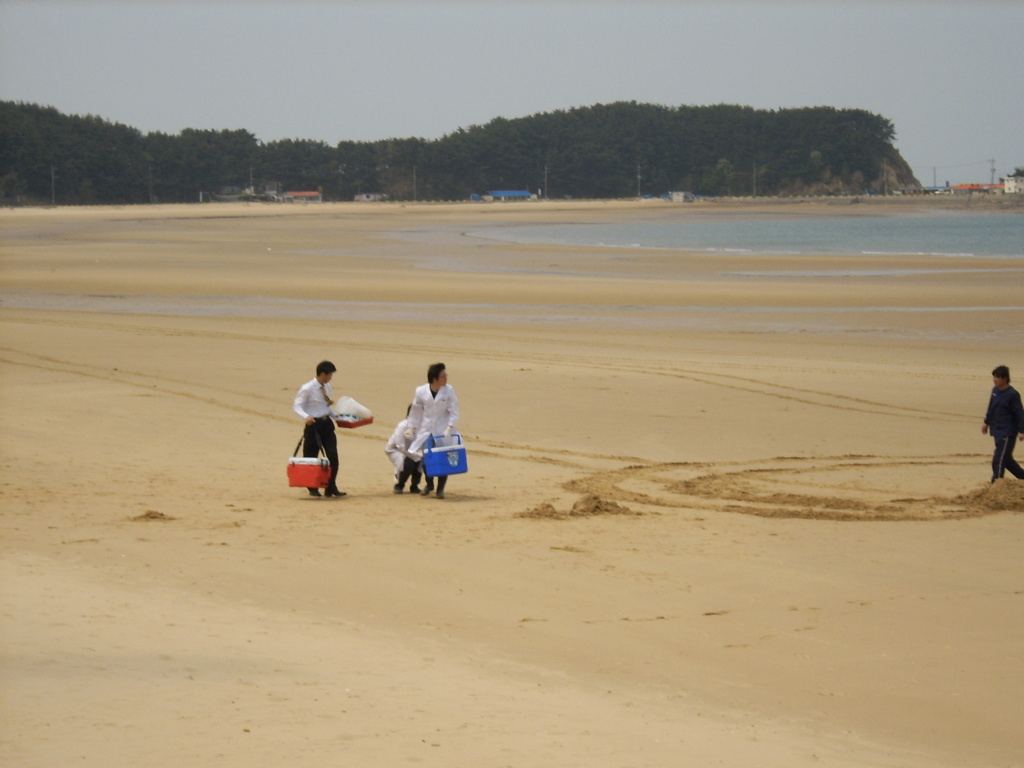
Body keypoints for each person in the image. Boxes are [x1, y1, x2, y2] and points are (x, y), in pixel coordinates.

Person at [293, 360, 346, 498]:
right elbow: (297, 406)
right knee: (311, 457)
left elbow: (326, 407)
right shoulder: (307, 388)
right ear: (323, 374)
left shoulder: (327, 387)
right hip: (313, 425)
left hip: (326, 424)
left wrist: (337, 417)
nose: (331, 378)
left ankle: (331, 487)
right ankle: (312, 487)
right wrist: (306, 416)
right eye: (329, 375)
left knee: (333, 457)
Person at [407, 362, 459, 499]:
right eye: (443, 376)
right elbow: (416, 411)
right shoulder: (421, 391)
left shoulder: (449, 390)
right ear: (435, 378)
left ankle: (440, 489)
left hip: (443, 428)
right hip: (426, 428)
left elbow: (454, 410)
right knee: (426, 459)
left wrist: (450, 427)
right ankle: (429, 484)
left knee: (443, 458)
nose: (446, 378)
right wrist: (412, 427)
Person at [982, 365, 1024, 483]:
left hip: (1008, 432)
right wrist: (986, 422)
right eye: (994, 377)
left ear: (1004, 379)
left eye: (997, 377)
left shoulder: (1012, 394)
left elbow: (1019, 413)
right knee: (1007, 460)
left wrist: (1022, 431)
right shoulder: (995, 391)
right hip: (997, 430)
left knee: (998, 458)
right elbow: (992, 407)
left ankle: (997, 483)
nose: (994, 379)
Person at [385, 405, 423, 494]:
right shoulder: (402, 426)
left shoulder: (423, 426)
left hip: (413, 450)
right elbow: (400, 446)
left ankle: (414, 485)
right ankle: (399, 485)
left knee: (421, 462)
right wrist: (415, 456)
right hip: (395, 450)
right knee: (409, 462)